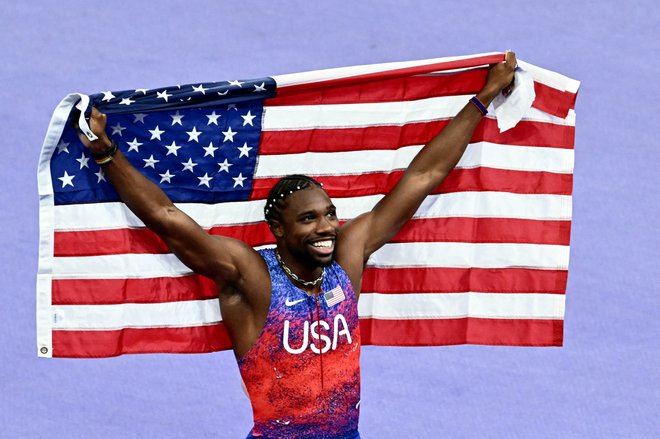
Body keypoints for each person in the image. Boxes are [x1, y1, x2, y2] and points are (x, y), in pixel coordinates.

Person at [75, 51, 517, 439]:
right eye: (309, 219)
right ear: (278, 229)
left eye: (328, 213)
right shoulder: (250, 277)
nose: (326, 227)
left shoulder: (347, 258)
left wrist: (482, 99)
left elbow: (423, 177)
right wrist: (106, 153)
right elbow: (167, 219)